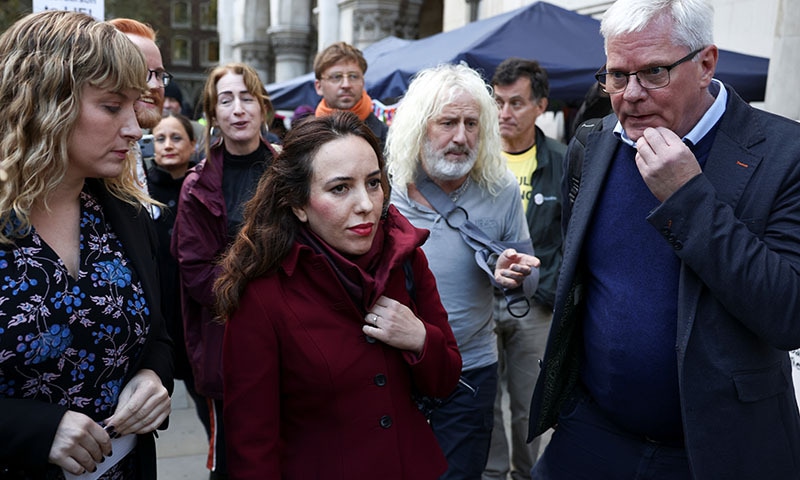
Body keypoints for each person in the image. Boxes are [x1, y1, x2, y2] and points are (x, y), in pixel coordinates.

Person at [528, 0, 800, 478]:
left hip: (720, 448)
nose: (630, 95)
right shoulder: (593, 142)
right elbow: (585, 276)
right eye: (616, 75)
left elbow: (789, 315)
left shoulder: (785, 154)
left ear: (706, 64)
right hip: (592, 432)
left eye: (654, 72)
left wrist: (687, 197)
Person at [215, 111, 462, 479]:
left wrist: (420, 339)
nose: (365, 203)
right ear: (298, 204)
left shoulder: (407, 261)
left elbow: (446, 380)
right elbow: (252, 443)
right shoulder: (263, 297)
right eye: (340, 188)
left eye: (373, 183)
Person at [0, 10, 173, 478]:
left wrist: (155, 377)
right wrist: (31, 429)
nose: (136, 128)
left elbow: (157, 334)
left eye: (136, 106)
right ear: (43, 103)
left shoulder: (127, 214)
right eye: (112, 106)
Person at [387, 63, 540, 480]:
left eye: (472, 123)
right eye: (448, 122)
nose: (461, 137)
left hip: (468, 370)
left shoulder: (501, 187)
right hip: (393, 368)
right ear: (420, 127)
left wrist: (517, 276)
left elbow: (529, 286)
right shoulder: (383, 188)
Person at [171, 62, 279, 480]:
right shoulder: (197, 186)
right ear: (212, 114)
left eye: (247, 97)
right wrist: (262, 297)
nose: (238, 109)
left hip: (297, 337)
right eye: (226, 100)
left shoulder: (292, 170)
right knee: (238, 458)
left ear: (262, 107)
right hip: (229, 340)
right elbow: (197, 272)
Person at [483, 58, 566, 480]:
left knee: (529, 404)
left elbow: (572, 237)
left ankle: (530, 475)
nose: (503, 113)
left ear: (541, 107)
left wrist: (545, 292)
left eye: (516, 103)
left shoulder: (563, 161)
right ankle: (494, 475)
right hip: (481, 300)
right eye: (497, 102)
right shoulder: (477, 161)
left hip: (535, 306)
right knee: (484, 402)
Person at [313, 41, 388, 149]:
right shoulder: (303, 139)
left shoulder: (389, 139)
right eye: (336, 77)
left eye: (353, 76)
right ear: (318, 86)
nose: (346, 85)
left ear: (363, 82)